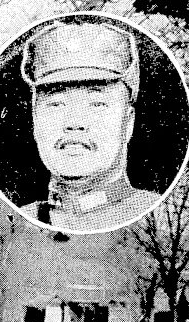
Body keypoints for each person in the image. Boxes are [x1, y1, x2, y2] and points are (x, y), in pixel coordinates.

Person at [18, 21, 160, 232]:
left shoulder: (155, 217)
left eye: (97, 104)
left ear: (128, 122)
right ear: (34, 120)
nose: (74, 123)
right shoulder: (17, 221)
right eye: (56, 104)